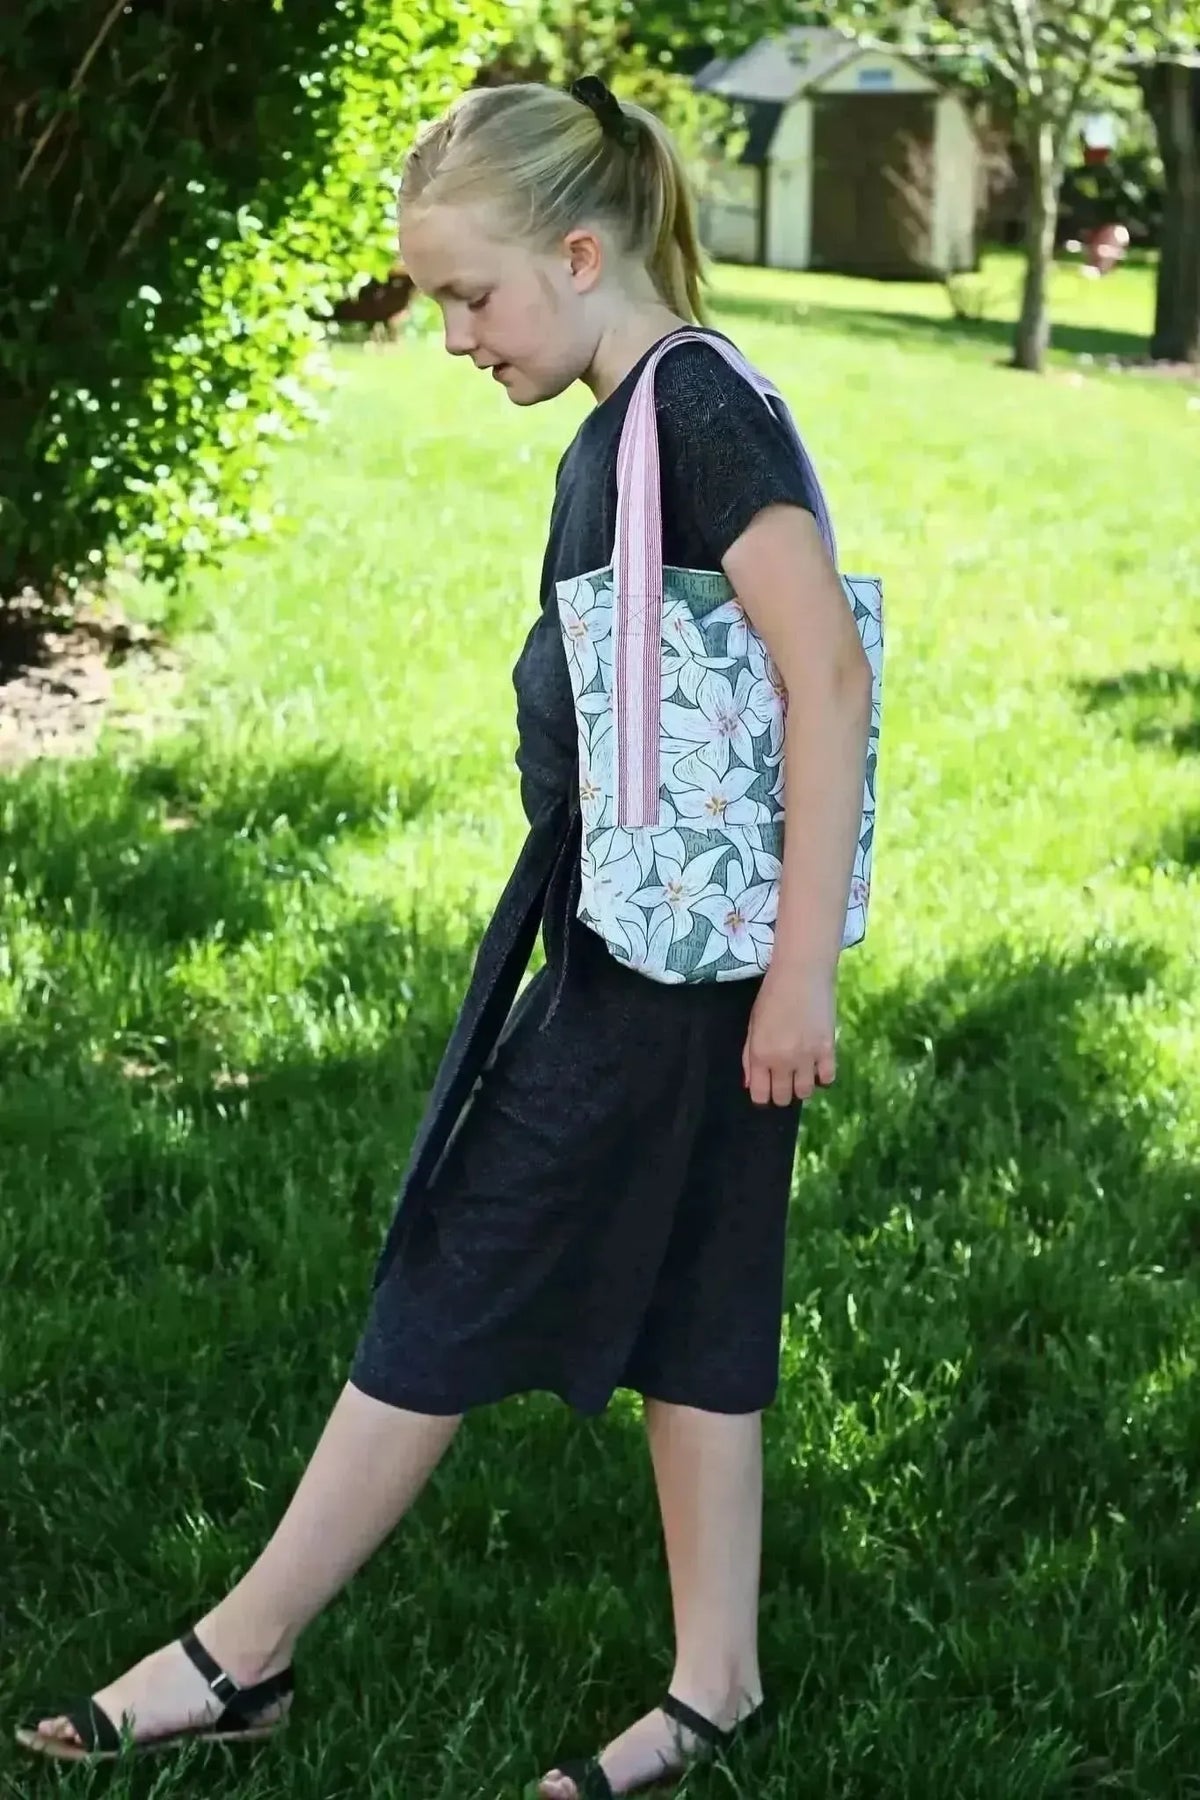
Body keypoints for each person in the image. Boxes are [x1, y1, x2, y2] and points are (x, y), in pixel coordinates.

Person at [16, 75, 874, 1799]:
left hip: (671, 974)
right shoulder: (636, 419)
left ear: (577, 252)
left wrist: (798, 974)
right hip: (652, 946)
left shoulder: (700, 415)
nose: (455, 334)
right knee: (702, 1279)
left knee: (457, 1263)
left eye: (470, 295)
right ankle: (720, 1684)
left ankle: (241, 1651)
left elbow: (825, 676)